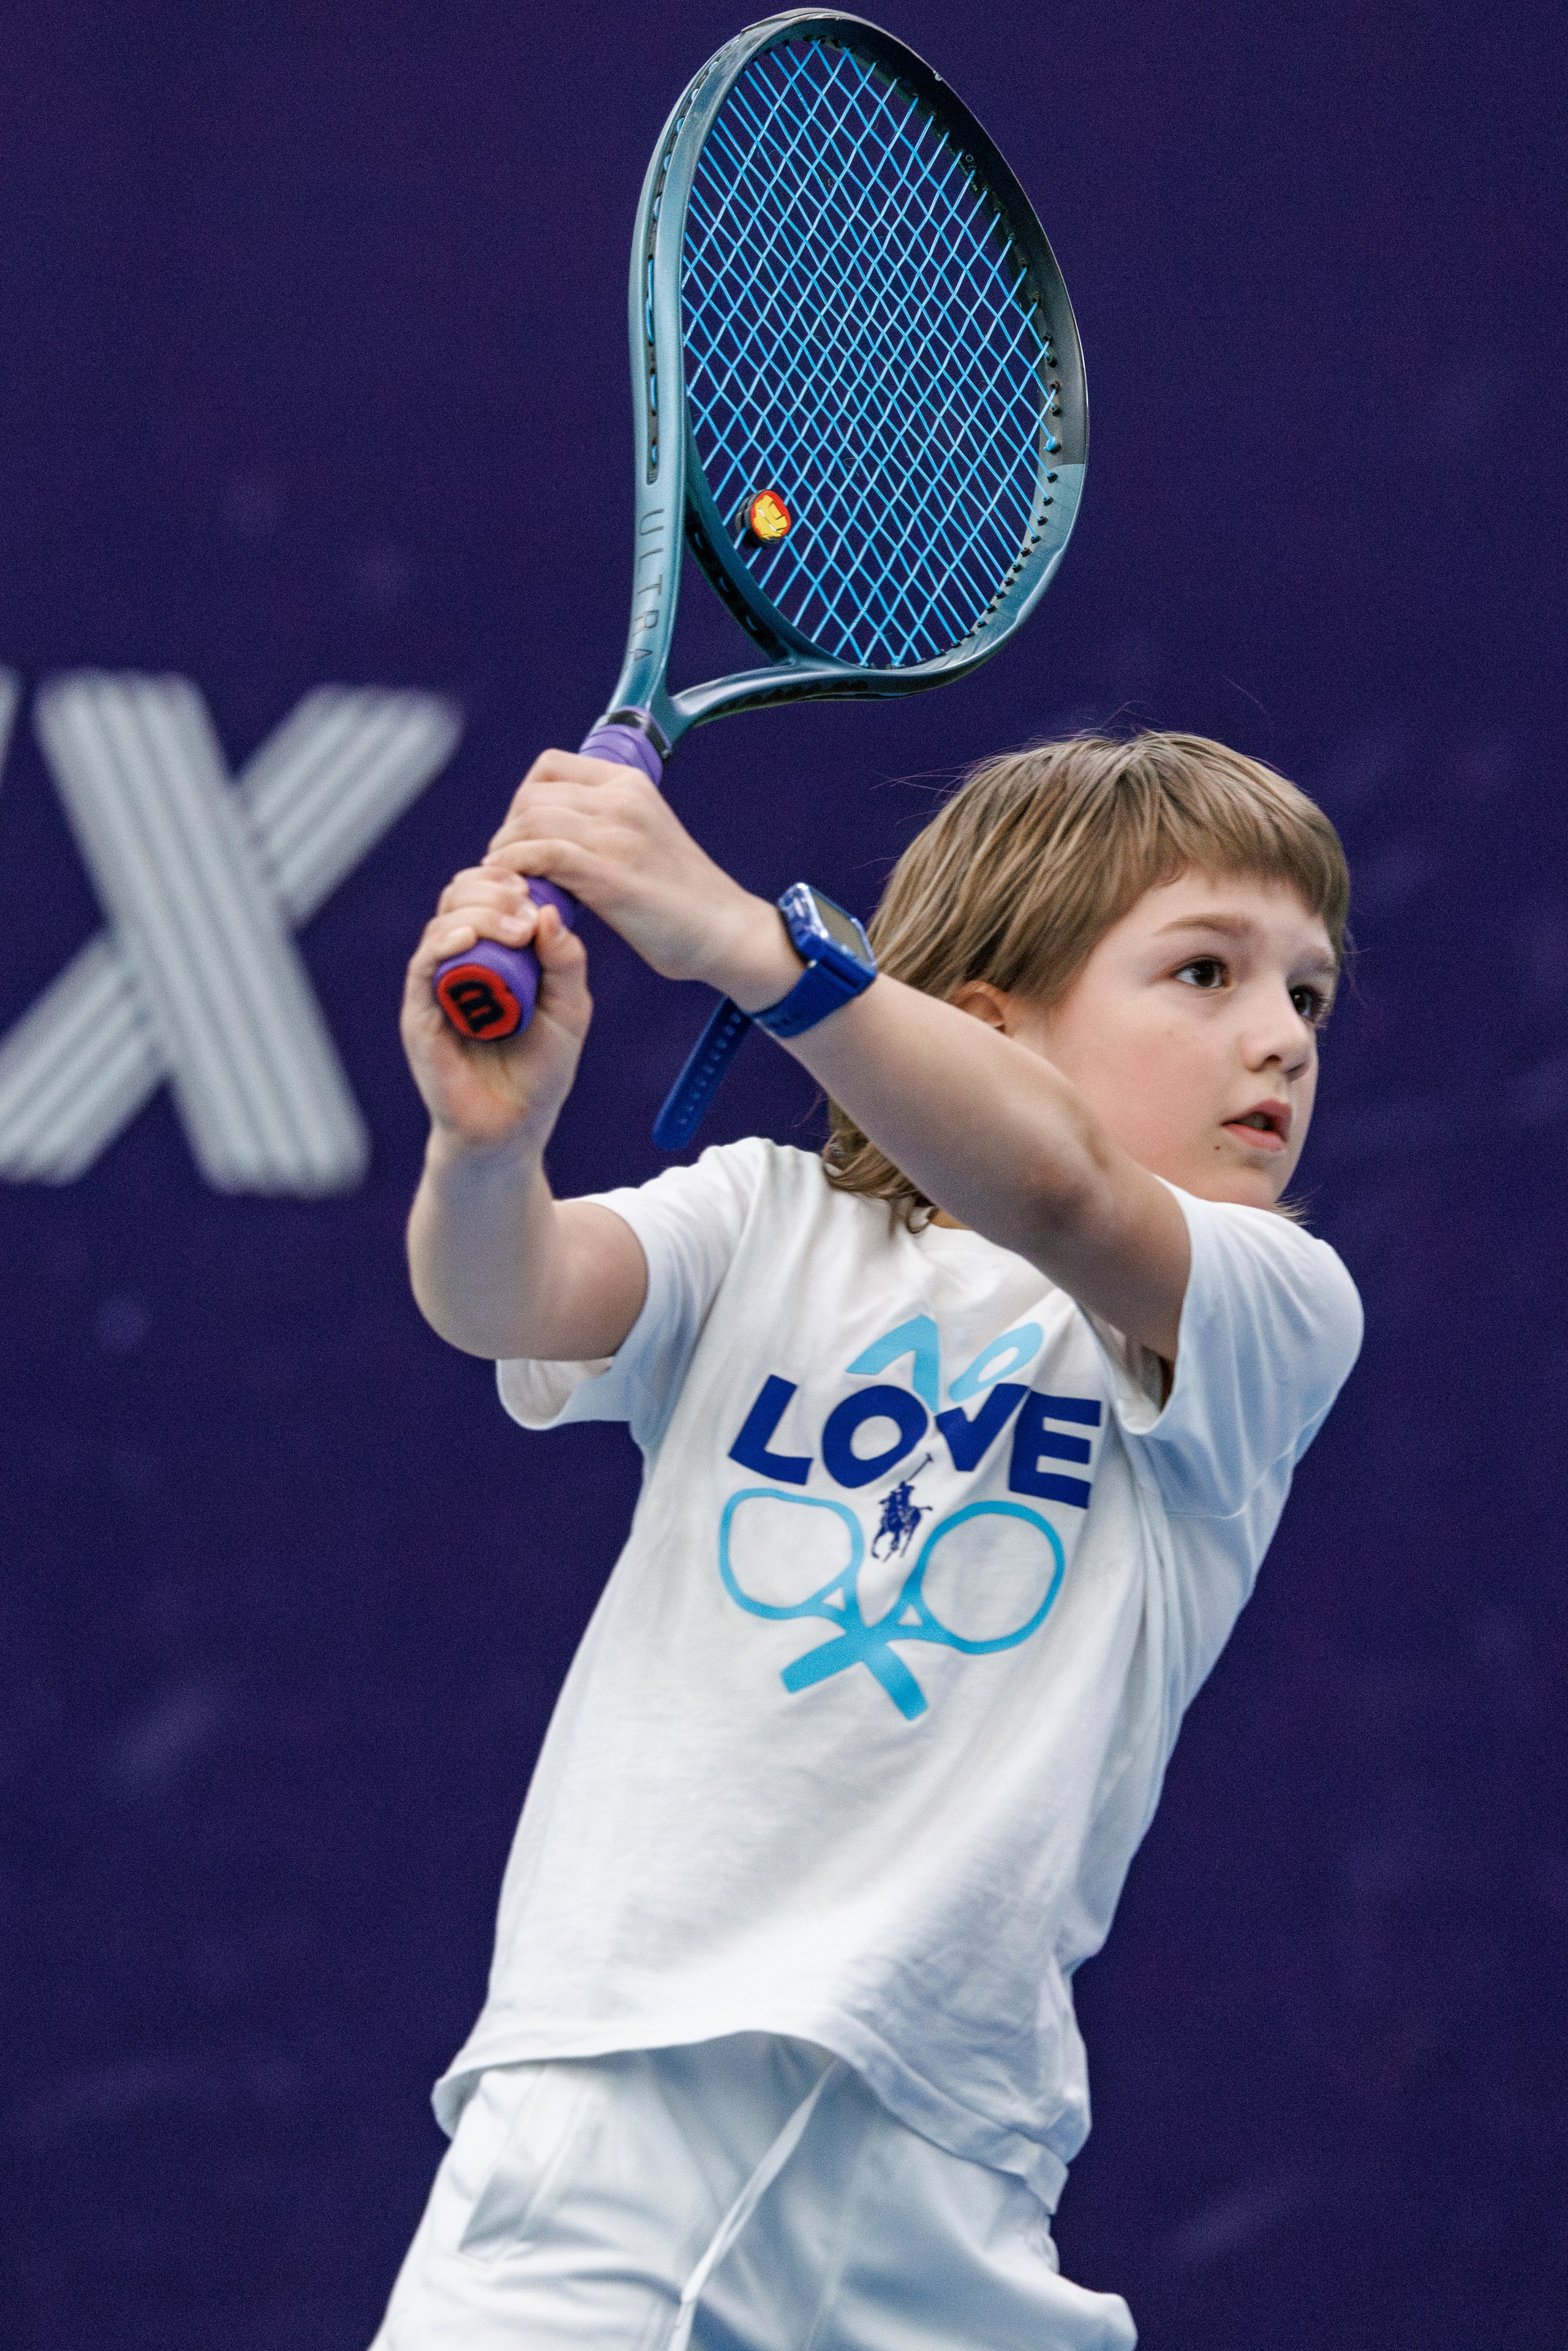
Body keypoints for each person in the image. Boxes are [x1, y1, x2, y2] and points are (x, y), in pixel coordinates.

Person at [377, 731, 1362, 2350]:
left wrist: (743, 940)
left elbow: (1059, 1194)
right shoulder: (755, 1222)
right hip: (619, 2127)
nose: (1281, 1041)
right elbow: (507, 1297)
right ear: (985, 1022)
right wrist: (483, 1150)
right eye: (1205, 972)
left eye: (1309, 996)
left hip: (941, 2180)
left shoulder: (1268, 1302)